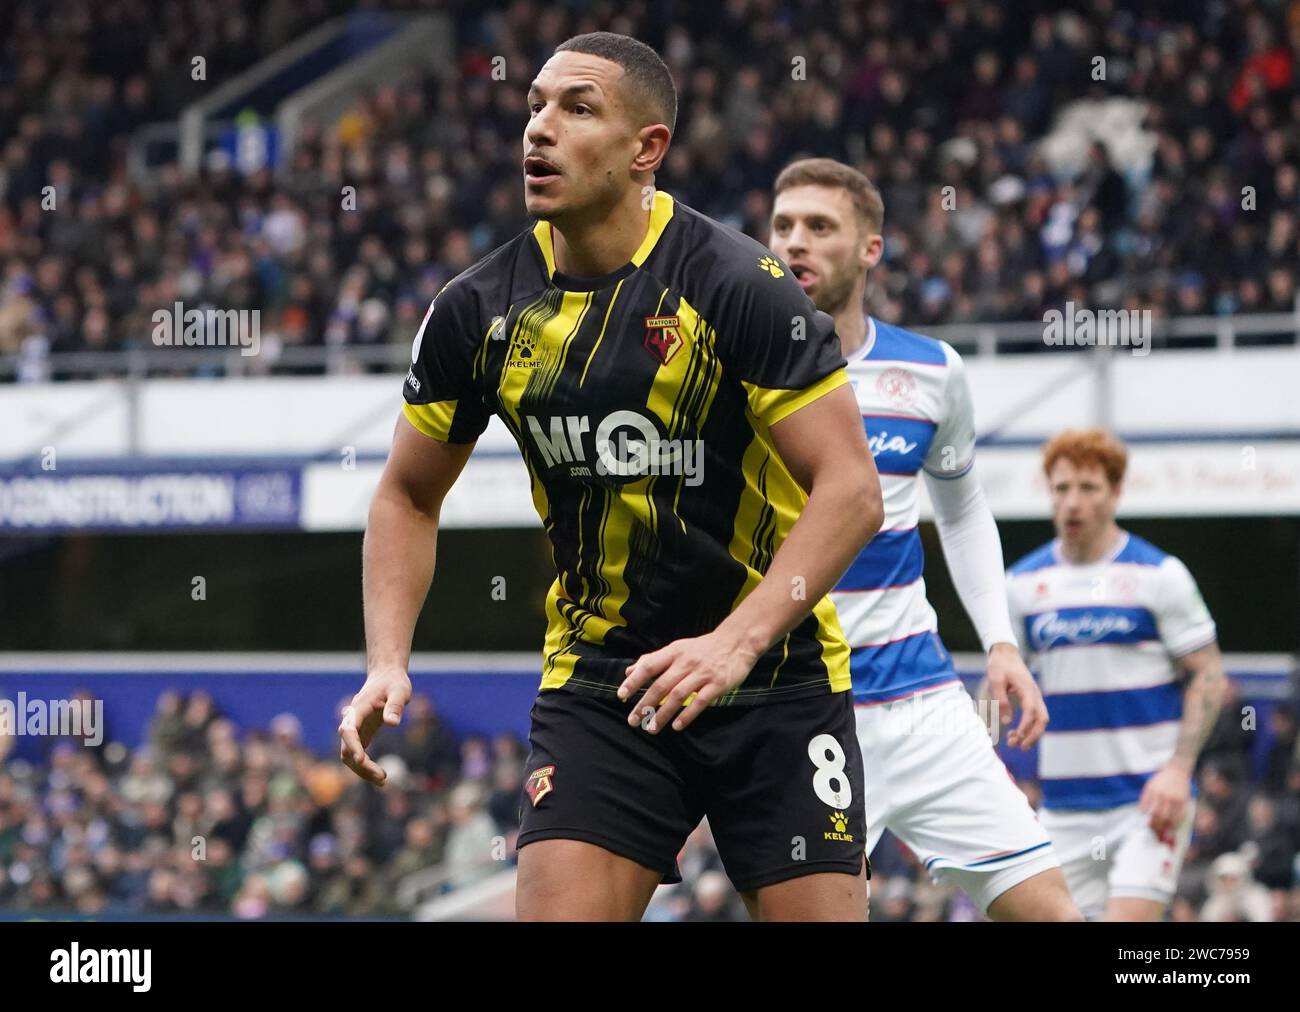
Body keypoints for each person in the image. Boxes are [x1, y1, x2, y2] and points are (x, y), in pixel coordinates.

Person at [339, 33, 883, 922]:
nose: (540, 130)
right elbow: (407, 493)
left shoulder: (739, 286)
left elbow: (852, 490)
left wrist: (734, 644)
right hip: (605, 683)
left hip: (775, 681)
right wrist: (386, 662)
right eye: (536, 107)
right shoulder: (478, 311)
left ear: (647, 151)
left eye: (576, 108)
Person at [768, 157, 1079, 921]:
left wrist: (1001, 643)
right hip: (798, 709)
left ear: (871, 249)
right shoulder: (730, 370)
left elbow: (963, 510)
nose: (794, 243)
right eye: (782, 226)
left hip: (923, 699)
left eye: (819, 226)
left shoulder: (932, 371)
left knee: (1053, 915)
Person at [1007, 428, 1226, 920]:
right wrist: (987, 762)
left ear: (1117, 492)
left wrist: (1178, 770)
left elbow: (1209, 675)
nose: (1073, 503)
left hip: (1147, 804)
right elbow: (999, 683)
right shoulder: (1021, 583)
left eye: (1089, 488)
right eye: (1062, 489)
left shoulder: (1160, 575)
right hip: (1062, 810)